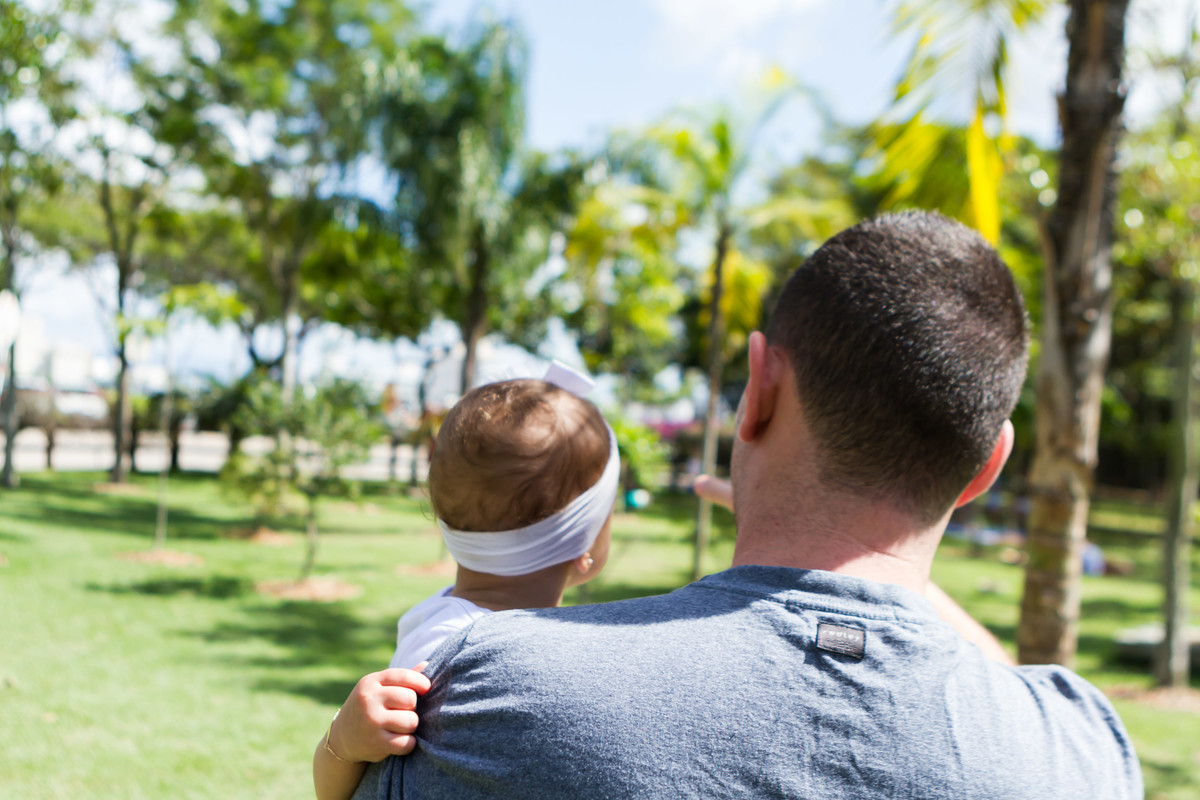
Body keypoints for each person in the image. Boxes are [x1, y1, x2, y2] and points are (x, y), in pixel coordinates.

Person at [352, 211, 1142, 799]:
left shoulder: (482, 688)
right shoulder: (1082, 753)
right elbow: (1012, 689)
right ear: (985, 469)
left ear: (757, 389)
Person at [314, 376, 618, 800]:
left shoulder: (446, 621)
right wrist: (343, 743)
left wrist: (339, 745)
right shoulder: (449, 652)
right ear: (585, 541)